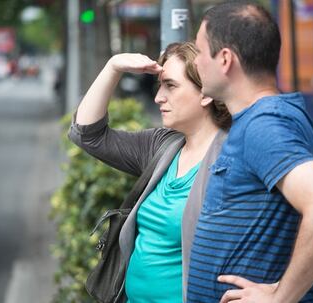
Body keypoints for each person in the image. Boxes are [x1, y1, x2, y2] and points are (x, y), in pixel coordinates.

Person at [186, 1, 313, 303]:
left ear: (225, 59)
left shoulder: (263, 126)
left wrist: (280, 297)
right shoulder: (262, 119)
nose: (196, 62)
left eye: (199, 52)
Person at [68, 42, 231, 302]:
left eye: (171, 85)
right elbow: (87, 135)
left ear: (206, 93)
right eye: (160, 86)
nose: (158, 97)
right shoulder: (163, 145)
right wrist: (114, 66)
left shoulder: (231, 160)